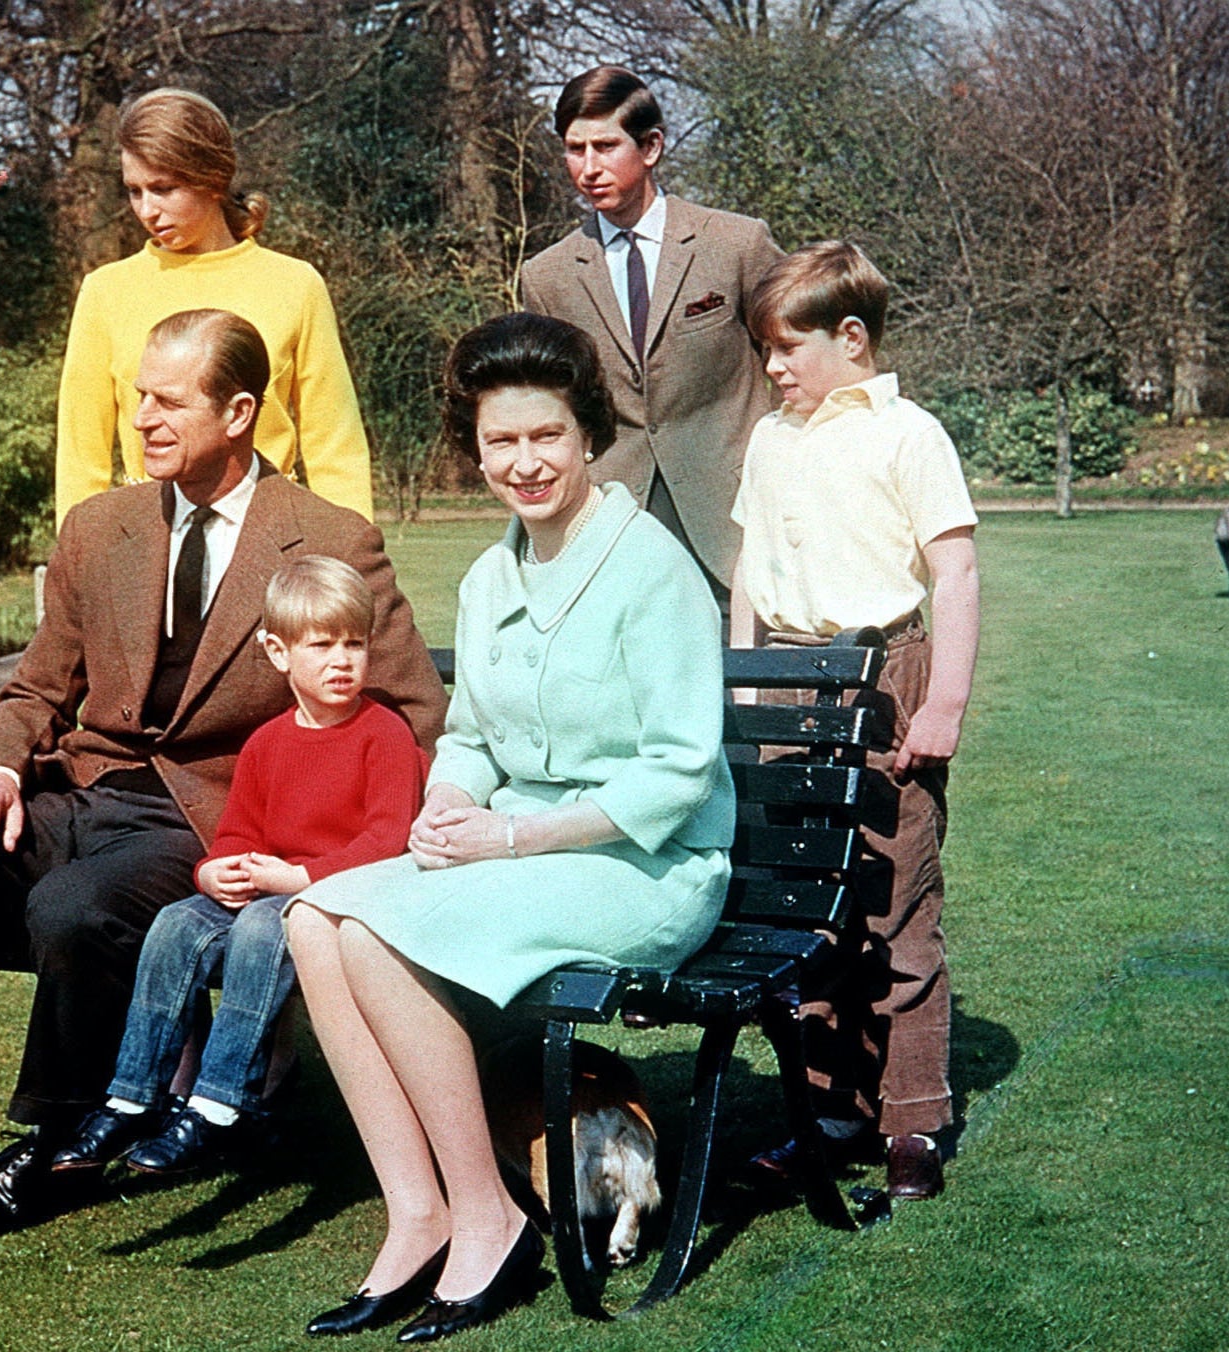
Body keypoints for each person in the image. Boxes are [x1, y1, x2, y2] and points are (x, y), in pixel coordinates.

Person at [0, 309, 446, 1267]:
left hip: (215, 817)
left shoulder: (327, 537)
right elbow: (39, 683)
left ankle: (56, 1149)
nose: (140, 416)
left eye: (166, 400)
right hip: (81, 788)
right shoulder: (100, 528)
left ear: (236, 412)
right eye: (138, 395)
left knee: (74, 907)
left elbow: (409, 711)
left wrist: (307, 852)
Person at [284, 312, 735, 1343]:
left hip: (648, 866)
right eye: (500, 442)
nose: (523, 463)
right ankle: (421, 1210)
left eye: (544, 436)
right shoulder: (492, 578)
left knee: (379, 934)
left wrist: (512, 840)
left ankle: (489, 1215)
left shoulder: (649, 568)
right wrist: (450, 799)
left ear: (587, 436)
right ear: (474, 449)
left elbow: (675, 777)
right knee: (316, 916)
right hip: (519, 850)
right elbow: (477, 734)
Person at [729, 240, 981, 1201]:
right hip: (788, 679)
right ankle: (831, 1109)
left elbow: (953, 572)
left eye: (787, 348)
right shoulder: (769, 438)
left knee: (893, 906)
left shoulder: (908, 434)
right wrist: (748, 693)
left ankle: (913, 1117)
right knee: (809, 909)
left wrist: (943, 704)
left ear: (851, 337)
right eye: (764, 350)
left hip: (884, 676)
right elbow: (749, 572)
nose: (773, 368)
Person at [47, 555, 428, 1178]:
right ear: (278, 653)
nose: (342, 661)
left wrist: (296, 880)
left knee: (258, 927)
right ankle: (133, 1096)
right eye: (322, 645)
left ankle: (220, 1105)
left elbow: (386, 843)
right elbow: (236, 834)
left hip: (344, 901)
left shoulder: (381, 735)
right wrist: (214, 871)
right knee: (177, 920)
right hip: (271, 889)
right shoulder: (268, 743)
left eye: (355, 644)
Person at [519, 65, 783, 599]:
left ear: (651, 147)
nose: (588, 167)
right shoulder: (546, 277)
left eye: (605, 146)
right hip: (614, 528)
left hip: (738, 521)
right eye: (575, 149)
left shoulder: (736, 244)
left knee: (749, 682)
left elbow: (798, 359)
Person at [55, 87, 373, 526]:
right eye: (134, 191)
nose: (147, 209)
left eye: (164, 188)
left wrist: (350, 562)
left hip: (271, 534)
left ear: (213, 178)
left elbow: (335, 447)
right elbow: (79, 456)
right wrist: (82, 563)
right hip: (151, 537)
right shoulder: (106, 291)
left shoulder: (295, 285)